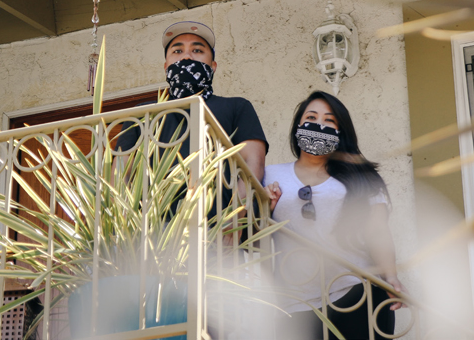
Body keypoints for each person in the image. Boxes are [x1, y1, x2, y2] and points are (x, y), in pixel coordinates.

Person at [264, 91, 403, 340]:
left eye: (329, 120)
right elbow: (254, 237)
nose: (319, 125)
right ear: (297, 126)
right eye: (311, 117)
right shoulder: (269, 175)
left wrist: (391, 277)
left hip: (358, 292)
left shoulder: (363, 177)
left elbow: (378, 231)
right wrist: (264, 207)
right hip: (295, 303)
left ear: (341, 131)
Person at [115, 21, 269, 212]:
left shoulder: (237, 107)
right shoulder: (143, 113)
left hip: (215, 225)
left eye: (197, 50)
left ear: (213, 66)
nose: (187, 56)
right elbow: (120, 173)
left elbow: (254, 165)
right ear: (166, 66)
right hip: (154, 225)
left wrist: (232, 217)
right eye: (177, 51)